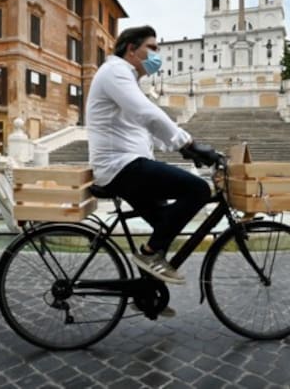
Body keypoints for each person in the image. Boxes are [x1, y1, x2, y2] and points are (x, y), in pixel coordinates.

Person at [86, 25, 219, 286]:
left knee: (164, 226)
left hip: (126, 165)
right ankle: (148, 256)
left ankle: (146, 293)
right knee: (198, 190)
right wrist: (187, 142)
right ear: (131, 50)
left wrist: (184, 149)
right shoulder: (116, 71)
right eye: (153, 48)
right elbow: (146, 113)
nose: (158, 55)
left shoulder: (126, 77)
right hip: (120, 167)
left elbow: (144, 127)